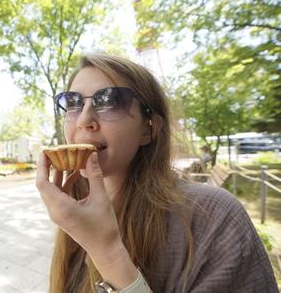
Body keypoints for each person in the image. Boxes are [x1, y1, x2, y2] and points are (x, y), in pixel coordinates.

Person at [35, 53, 277, 293]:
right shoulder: (75, 212)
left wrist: (107, 252)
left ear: (148, 130)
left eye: (110, 101)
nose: (84, 119)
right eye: (73, 102)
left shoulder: (213, 218)